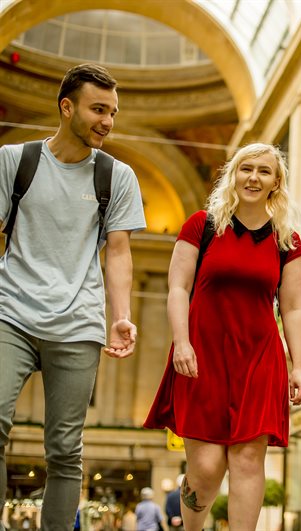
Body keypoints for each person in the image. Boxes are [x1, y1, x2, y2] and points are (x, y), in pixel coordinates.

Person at [0, 63, 145, 529]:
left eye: (113, 112)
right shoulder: (13, 161)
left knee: (64, 449)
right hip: (11, 313)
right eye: (98, 109)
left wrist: (119, 316)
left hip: (78, 324)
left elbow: (118, 253)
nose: (108, 121)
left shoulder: (116, 176)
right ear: (67, 107)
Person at [144, 143, 301, 531]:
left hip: (259, 356)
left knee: (249, 460)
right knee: (205, 466)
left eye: (264, 171)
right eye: (246, 168)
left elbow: (294, 309)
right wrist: (181, 342)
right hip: (202, 355)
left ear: (276, 182)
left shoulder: (288, 240)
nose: (254, 177)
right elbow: (178, 289)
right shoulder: (202, 225)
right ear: (233, 175)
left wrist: (298, 366)